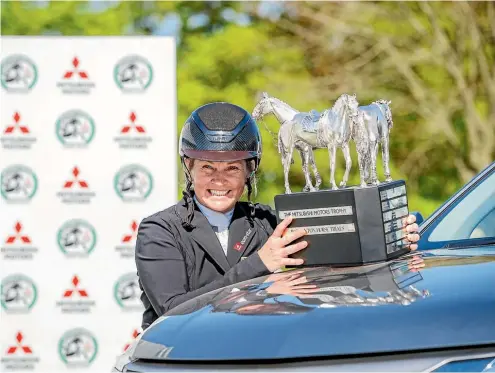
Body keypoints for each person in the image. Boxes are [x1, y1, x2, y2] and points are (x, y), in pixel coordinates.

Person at [135, 101, 420, 330]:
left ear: (249, 171)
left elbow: (343, 259)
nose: (219, 180)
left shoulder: (268, 222)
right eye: (207, 168)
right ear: (189, 167)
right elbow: (172, 310)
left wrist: (391, 234)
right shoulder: (160, 230)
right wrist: (259, 264)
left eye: (232, 169)